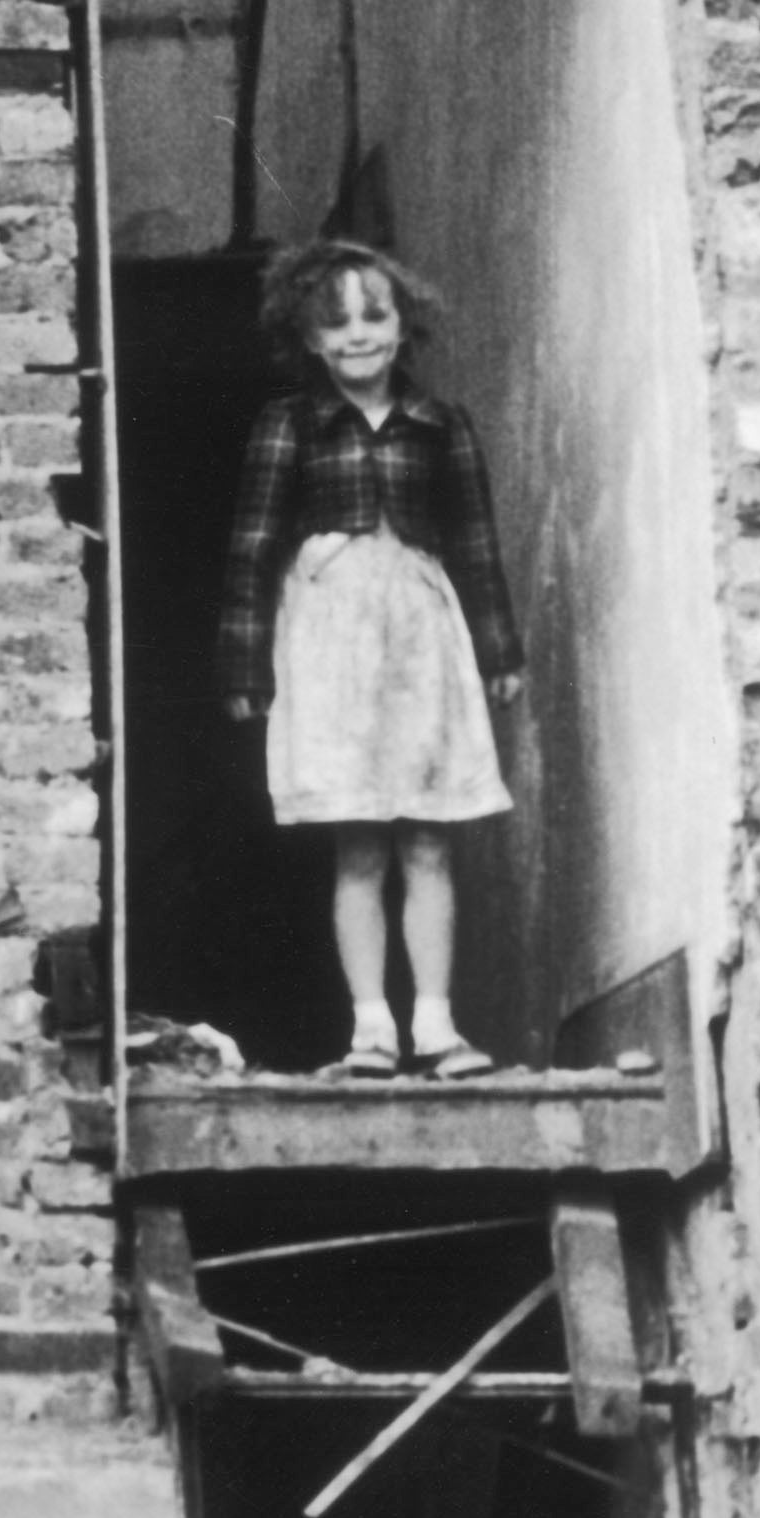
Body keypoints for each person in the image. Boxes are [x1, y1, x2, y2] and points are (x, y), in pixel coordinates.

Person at [219, 237, 524, 1078]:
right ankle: (370, 1029)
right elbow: (250, 548)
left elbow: (475, 541)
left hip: (420, 638)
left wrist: (500, 650)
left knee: (429, 837)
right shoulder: (288, 425)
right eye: (336, 323)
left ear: (403, 324)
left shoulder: (441, 425)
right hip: (332, 644)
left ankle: (436, 1023)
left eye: (374, 316)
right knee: (359, 844)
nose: (357, 335)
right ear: (309, 339)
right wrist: (245, 667)